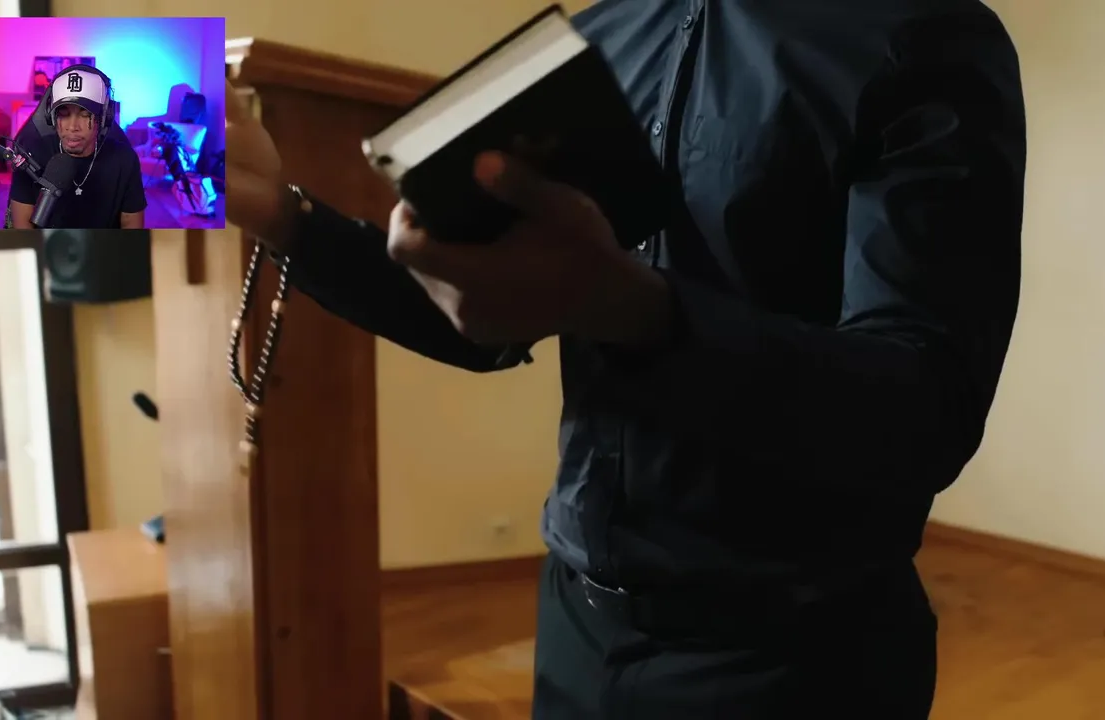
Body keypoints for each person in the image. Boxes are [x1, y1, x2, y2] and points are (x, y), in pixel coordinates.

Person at [226, 0, 1026, 716]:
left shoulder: (923, 37)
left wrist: (635, 311)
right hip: (576, 630)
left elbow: (925, 410)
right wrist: (282, 215)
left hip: (794, 663)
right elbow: (491, 321)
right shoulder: (598, 38)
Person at [9, 65, 146, 229]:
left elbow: (132, 231)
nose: (73, 127)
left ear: (104, 117)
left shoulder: (125, 160)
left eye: (85, 114)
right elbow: (23, 231)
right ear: (51, 116)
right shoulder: (31, 155)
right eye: (63, 114)